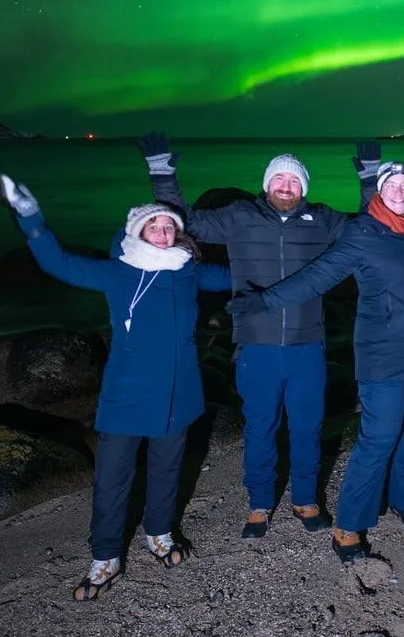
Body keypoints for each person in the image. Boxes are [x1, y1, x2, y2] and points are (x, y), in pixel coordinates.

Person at [0, 175, 231, 601]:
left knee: (167, 469)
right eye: (154, 227)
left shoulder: (189, 271)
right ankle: (105, 556)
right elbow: (58, 263)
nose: (163, 233)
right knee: (112, 478)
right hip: (127, 393)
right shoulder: (118, 273)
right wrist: (31, 218)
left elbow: (240, 276)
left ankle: (159, 533)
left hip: (179, 393)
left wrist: (283, 259)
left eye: (168, 227)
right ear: (137, 232)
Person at [136, 133, 375, 539]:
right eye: (279, 180)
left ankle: (305, 498)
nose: (286, 187)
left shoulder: (321, 219)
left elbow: (368, 229)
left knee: (307, 425)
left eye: (294, 182)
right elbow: (185, 221)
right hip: (257, 346)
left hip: (307, 345)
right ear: (267, 184)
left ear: (304, 188)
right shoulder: (239, 215)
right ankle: (260, 503)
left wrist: (369, 180)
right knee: (260, 426)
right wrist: (162, 172)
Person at [226, 155, 404, 563]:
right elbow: (317, 275)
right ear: (379, 192)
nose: (399, 191)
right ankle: (348, 523)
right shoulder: (362, 233)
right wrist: (264, 300)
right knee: (379, 437)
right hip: (382, 358)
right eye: (390, 185)